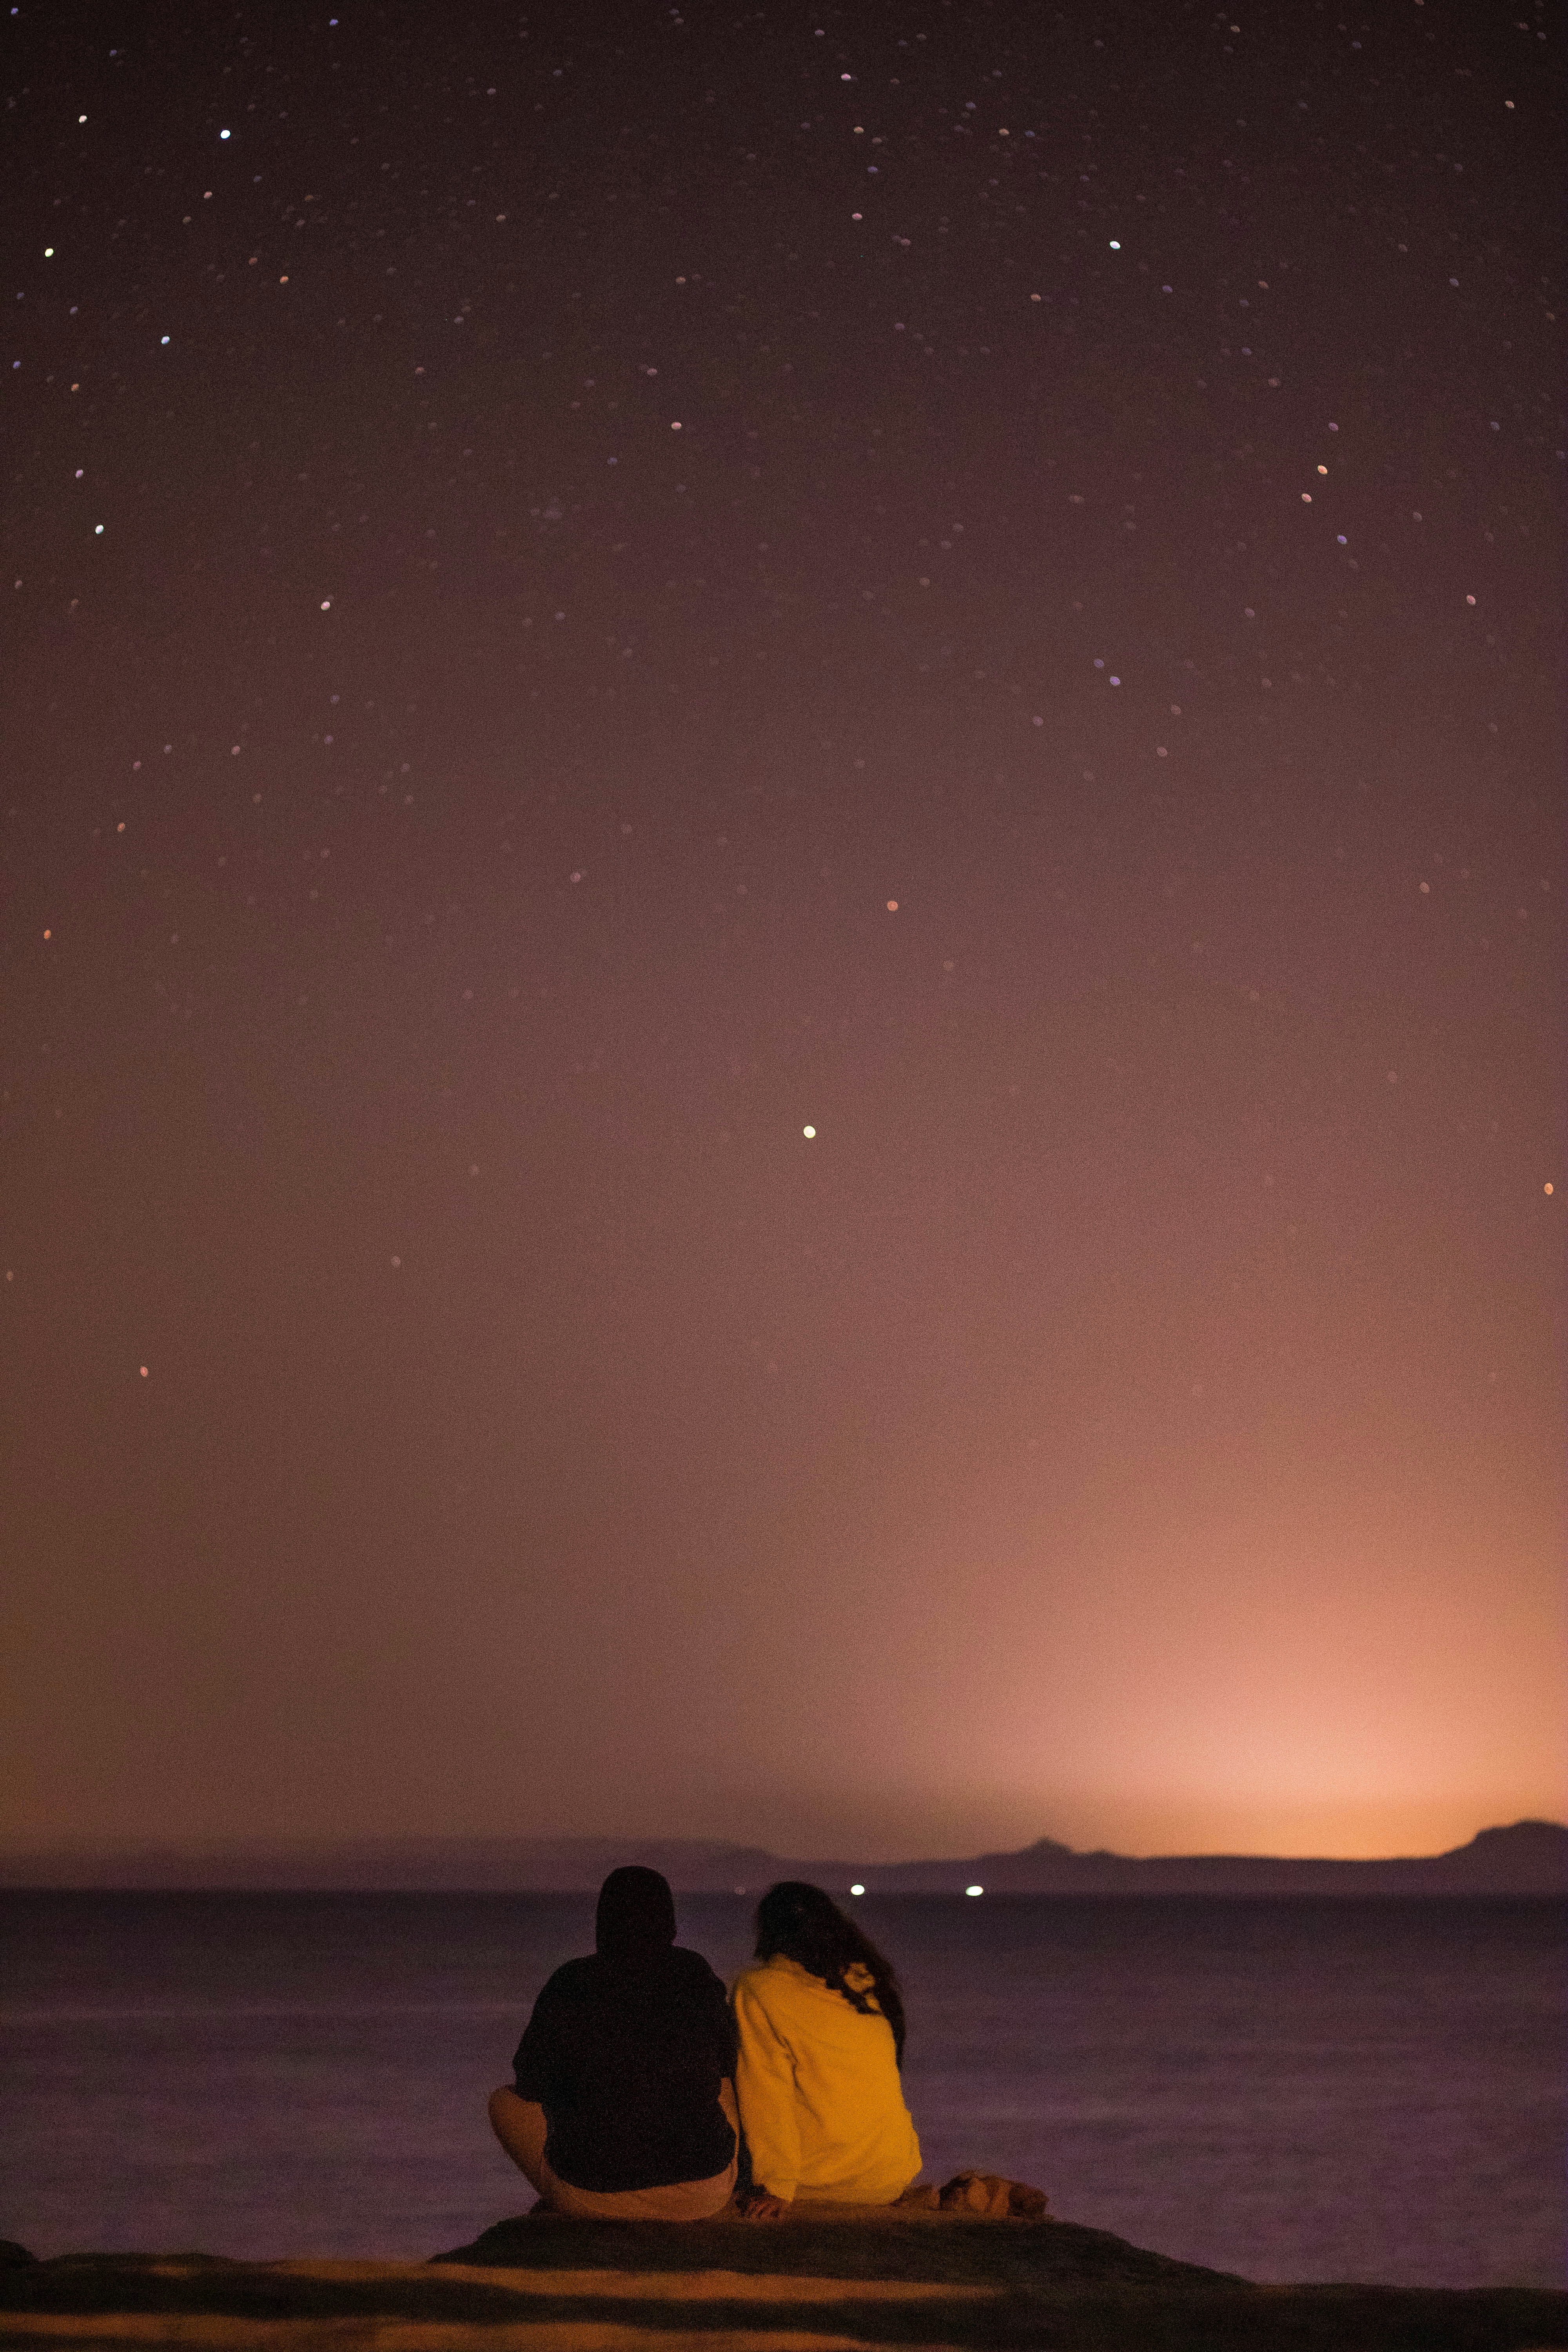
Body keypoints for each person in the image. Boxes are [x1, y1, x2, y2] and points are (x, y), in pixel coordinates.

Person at [488, 1866, 739, 2220]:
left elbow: (531, 2082)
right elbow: (728, 2058)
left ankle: (569, 2191)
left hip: (593, 2194)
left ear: (603, 1921)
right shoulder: (693, 1972)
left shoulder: (572, 1980)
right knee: (724, 2082)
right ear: (669, 1920)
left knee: (503, 2102)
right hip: (704, 2192)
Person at [731, 1881, 922, 2216]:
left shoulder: (762, 1989)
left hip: (820, 2180)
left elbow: (765, 2093)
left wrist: (777, 2185)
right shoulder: (866, 1983)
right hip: (889, 2176)